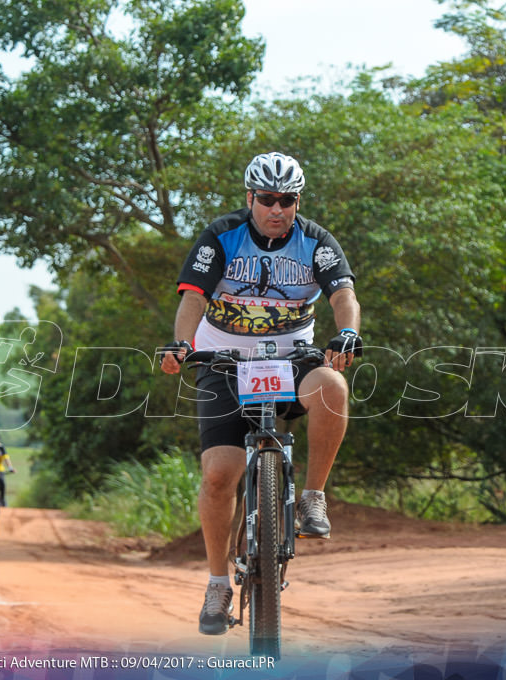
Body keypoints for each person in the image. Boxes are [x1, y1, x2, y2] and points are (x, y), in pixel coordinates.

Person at [160, 152, 363, 636]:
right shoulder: (220, 235)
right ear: (249, 197)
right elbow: (194, 297)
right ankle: (216, 584)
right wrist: (183, 345)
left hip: (291, 358)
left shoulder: (315, 241)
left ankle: (312, 495)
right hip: (224, 362)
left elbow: (343, 295)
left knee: (333, 386)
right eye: (267, 199)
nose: (277, 209)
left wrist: (348, 332)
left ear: (298, 201)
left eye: (287, 200)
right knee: (219, 474)